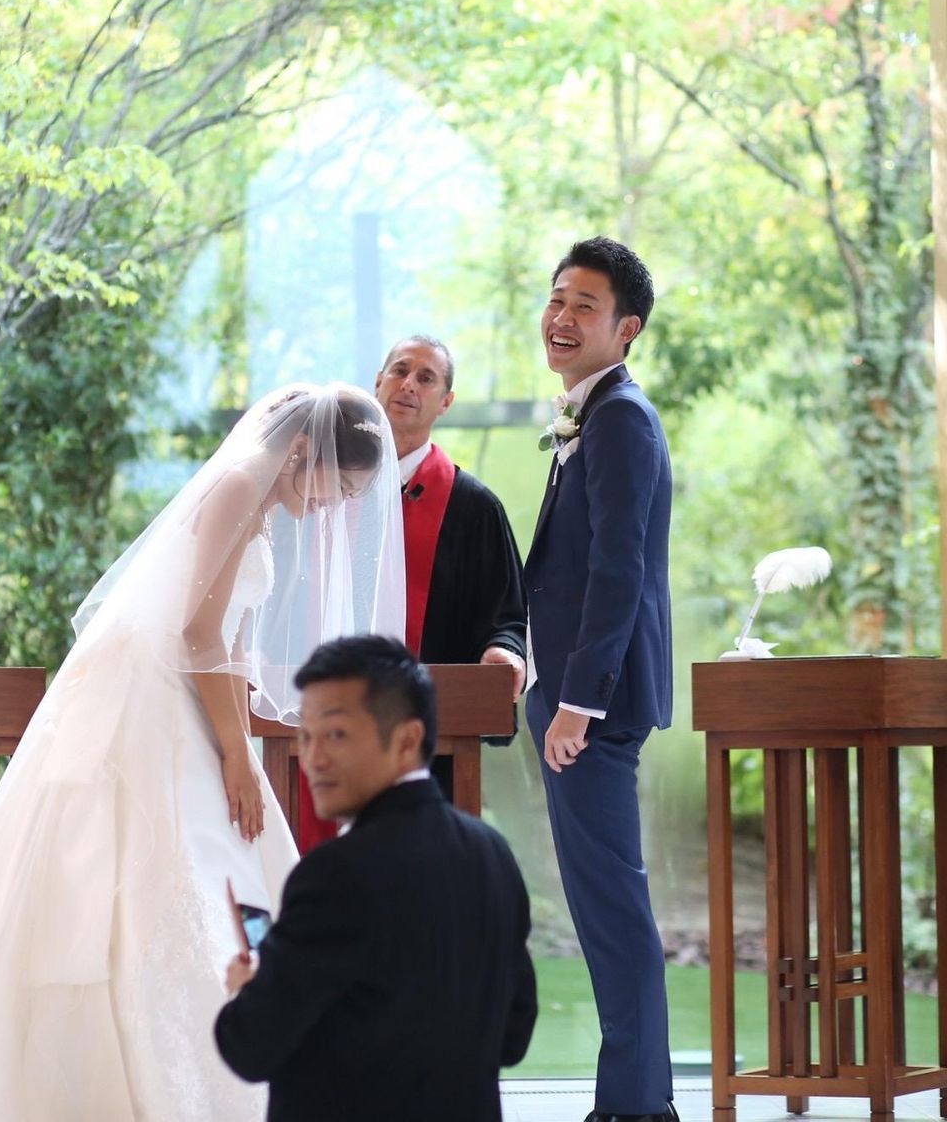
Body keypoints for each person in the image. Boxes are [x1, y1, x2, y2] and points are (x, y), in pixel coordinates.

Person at [0, 385, 406, 1122]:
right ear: (303, 451)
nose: (337, 504)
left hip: (186, 693)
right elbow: (197, 635)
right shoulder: (240, 484)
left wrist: (238, 736)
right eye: (341, 486)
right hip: (145, 697)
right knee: (140, 868)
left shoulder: (265, 505)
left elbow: (231, 639)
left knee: (223, 863)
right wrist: (235, 754)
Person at [214, 634, 537, 1122]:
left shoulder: (333, 875)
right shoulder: (492, 854)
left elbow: (250, 1046)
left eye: (336, 734)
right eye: (306, 736)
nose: (314, 758)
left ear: (406, 739)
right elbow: (513, 1035)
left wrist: (250, 989)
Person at [524, 237, 676, 1122]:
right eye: (557, 299)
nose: (562, 317)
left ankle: (635, 1109)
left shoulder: (620, 417)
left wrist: (576, 702)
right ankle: (638, 1102)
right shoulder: (592, 413)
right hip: (575, 694)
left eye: (585, 305)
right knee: (605, 908)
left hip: (596, 703)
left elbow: (620, 570)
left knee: (614, 914)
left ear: (627, 329)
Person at [296, 335, 528, 849]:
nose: (409, 385)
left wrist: (503, 651)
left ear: (446, 401)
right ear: (378, 381)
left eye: (427, 378)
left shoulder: (473, 507)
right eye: (400, 371)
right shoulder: (319, 490)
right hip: (314, 730)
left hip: (428, 736)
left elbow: (506, 616)